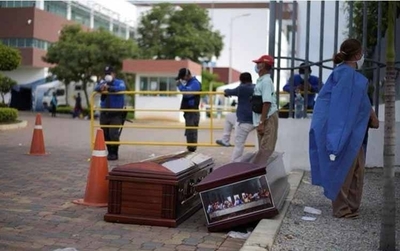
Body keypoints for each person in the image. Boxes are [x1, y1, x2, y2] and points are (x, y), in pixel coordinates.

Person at [309, 38, 379, 219]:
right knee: (345, 169)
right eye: (361, 53)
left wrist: (371, 116)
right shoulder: (347, 76)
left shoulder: (347, 76)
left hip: (353, 131)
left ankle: (351, 207)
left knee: (355, 170)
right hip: (345, 133)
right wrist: (337, 138)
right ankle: (341, 209)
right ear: (357, 55)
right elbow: (342, 109)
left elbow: (361, 101)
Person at [221, 72, 255, 162]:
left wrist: (226, 93)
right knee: (229, 117)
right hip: (254, 119)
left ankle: (234, 165)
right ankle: (225, 140)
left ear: (241, 80)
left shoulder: (242, 88)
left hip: (244, 121)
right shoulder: (255, 87)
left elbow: (228, 91)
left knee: (239, 145)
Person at [94, 66, 126, 161]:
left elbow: (121, 88)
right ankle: (109, 152)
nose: (107, 75)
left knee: (113, 134)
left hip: (116, 113)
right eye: (106, 73)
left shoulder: (119, 82)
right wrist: (102, 87)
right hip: (105, 112)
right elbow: (96, 88)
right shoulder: (103, 82)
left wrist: (110, 88)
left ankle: (114, 152)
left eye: (109, 73)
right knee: (105, 134)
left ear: (114, 74)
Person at [251, 55, 279, 152]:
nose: (256, 66)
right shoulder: (262, 80)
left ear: (262, 65)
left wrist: (262, 123)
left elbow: (267, 102)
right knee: (263, 150)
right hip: (263, 118)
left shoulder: (266, 81)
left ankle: (266, 167)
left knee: (266, 151)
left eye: (258, 63)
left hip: (267, 118)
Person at [176, 68, 202, 152]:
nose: (182, 80)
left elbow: (188, 94)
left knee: (191, 131)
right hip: (189, 112)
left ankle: (192, 150)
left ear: (187, 75)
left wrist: (180, 86)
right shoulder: (190, 83)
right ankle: (190, 149)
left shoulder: (195, 83)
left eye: (182, 78)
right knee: (189, 131)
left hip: (192, 111)